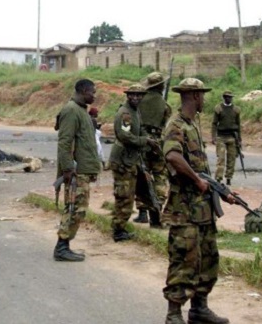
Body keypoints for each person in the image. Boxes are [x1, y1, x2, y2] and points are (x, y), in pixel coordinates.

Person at [161, 78, 236, 324]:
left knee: (208, 258)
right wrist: (196, 180)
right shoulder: (176, 125)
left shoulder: (192, 125)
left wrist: (222, 192)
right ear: (194, 96)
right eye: (201, 95)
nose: (204, 99)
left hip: (202, 209)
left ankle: (199, 309)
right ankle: (174, 314)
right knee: (184, 260)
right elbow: (172, 156)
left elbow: (201, 168)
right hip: (184, 209)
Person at [53, 79, 100, 262]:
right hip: (75, 171)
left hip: (82, 170)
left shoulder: (81, 111)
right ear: (83, 90)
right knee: (74, 209)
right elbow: (64, 142)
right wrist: (67, 168)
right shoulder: (71, 110)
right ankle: (62, 247)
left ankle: (64, 245)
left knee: (78, 209)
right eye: (92, 92)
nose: (94, 96)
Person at [109, 84, 159, 242]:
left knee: (137, 192)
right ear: (127, 96)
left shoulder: (135, 111)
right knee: (124, 195)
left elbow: (140, 129)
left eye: (139, 95)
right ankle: (118, 230)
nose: (136, 97)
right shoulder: (125, 114)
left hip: (132, 158)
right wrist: (145, 141)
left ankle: (121, 226)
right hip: (123, 159)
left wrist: (149, 139)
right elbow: (125, 136)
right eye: (133, 95)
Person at [134, 71, 172, 227]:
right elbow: (164, 123)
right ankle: (157, 208)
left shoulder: (138, 101)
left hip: (141, 142)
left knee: (142, 176)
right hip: (157, 143)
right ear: (162, 86)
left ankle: (142, 211)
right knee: (160, 175)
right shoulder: (165, 105)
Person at [211, 91, 241, 186]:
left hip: (232, 137)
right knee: (221, 158)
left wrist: (239, 139)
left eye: (230, 97)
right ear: (224, 97)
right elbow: (214, 123)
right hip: (221, 137)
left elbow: (238, 124)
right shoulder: (218, 109)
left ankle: (229, 178)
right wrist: (213, 136)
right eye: (227, 97)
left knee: (232, 158)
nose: (229, 99)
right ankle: (219, 178)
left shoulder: (236, 109)